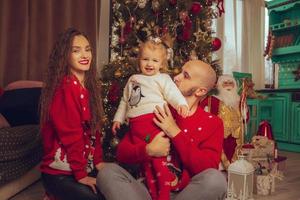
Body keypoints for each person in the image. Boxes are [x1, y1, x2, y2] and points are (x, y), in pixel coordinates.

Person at [97, 60, 227, 200]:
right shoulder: (155, 108)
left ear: (200, 91)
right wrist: (148, 150)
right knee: (107, 173)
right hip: (147, 191)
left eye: (186, 75)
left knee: (216, 180)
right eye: (179, 72)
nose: (176, 77)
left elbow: (206, 168)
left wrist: (175, 132)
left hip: (186, 193)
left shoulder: (213, 123)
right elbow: (122, 152)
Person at [111, 38, 189, 200]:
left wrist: (181, 104)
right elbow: (124, 102)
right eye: (145, 59)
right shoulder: (133, 79)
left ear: (161, 63)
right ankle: (153, 194)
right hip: (134, 127)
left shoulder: (162, 79)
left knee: (157, 161)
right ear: (139, 60)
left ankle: (164, 195)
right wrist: (118, 119)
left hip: (152, 123)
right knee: (146, 163)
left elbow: (172, 94)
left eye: (154, 60)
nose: (149, 64)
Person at [39, 28, 105, 200]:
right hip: (59, 174)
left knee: (111, 191)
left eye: (88, 49)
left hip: (81, 168)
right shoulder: (65, 88)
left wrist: (97, 161)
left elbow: (94, 131)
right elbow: (71, 135)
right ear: (65, 56)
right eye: (76, 50)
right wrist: (81, 175)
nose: (84, 55)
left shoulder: (88, 88)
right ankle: (53, 193)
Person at [214, 74, 243, 170]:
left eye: (231, 83)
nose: (228, 85)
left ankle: (234, 166)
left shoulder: (239, 100)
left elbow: (245, 118)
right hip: (221, 133)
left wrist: (245, 111)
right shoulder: (214, 100)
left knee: (235, 149)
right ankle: (222, 166)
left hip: (236, 133)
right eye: (225, 83)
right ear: (219, 85)